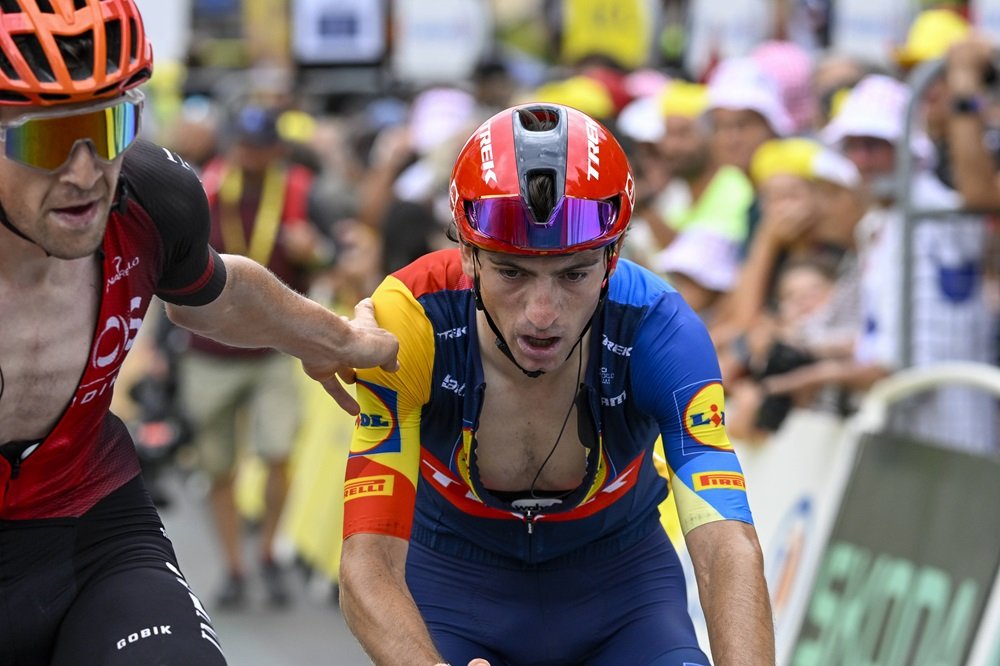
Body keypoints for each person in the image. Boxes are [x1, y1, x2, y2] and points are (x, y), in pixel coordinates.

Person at [0, 2, 397, 665]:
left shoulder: (152, 198)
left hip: (89, 529)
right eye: (44, 140)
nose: (84, 172)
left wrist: (336, 341)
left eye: (106, 125)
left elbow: (218, 293)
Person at [339, 103, 775, 665]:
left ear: (613, 258)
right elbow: (366, 563)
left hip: (621, 599)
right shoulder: (410, 321)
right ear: (469, 256)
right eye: (512, 272)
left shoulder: (660, 328)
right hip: (454, 594)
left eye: (573, 274)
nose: (542, 314)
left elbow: (726, 546)